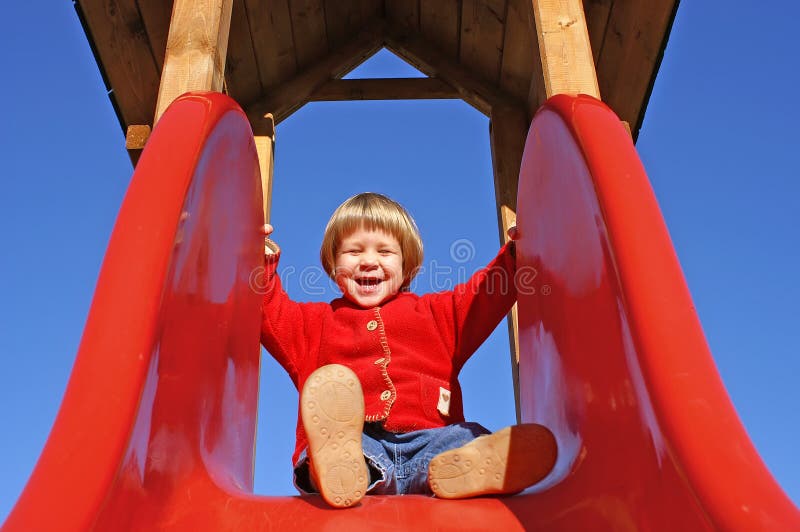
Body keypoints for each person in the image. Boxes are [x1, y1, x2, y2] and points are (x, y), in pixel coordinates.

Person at [259, 192, 556, 508]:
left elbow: (484, 296)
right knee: (338, 452)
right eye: (353, 251)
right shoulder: (312, 325)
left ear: (407, 264)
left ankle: (477, 467)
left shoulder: (436, 315)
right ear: (333, 264)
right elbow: (267, 309)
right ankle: (338, 468)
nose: (369, 260)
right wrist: (256, 258)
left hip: (430, 442)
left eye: (385, 251)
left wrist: (516, 254)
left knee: (463, 438)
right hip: (358, 444)